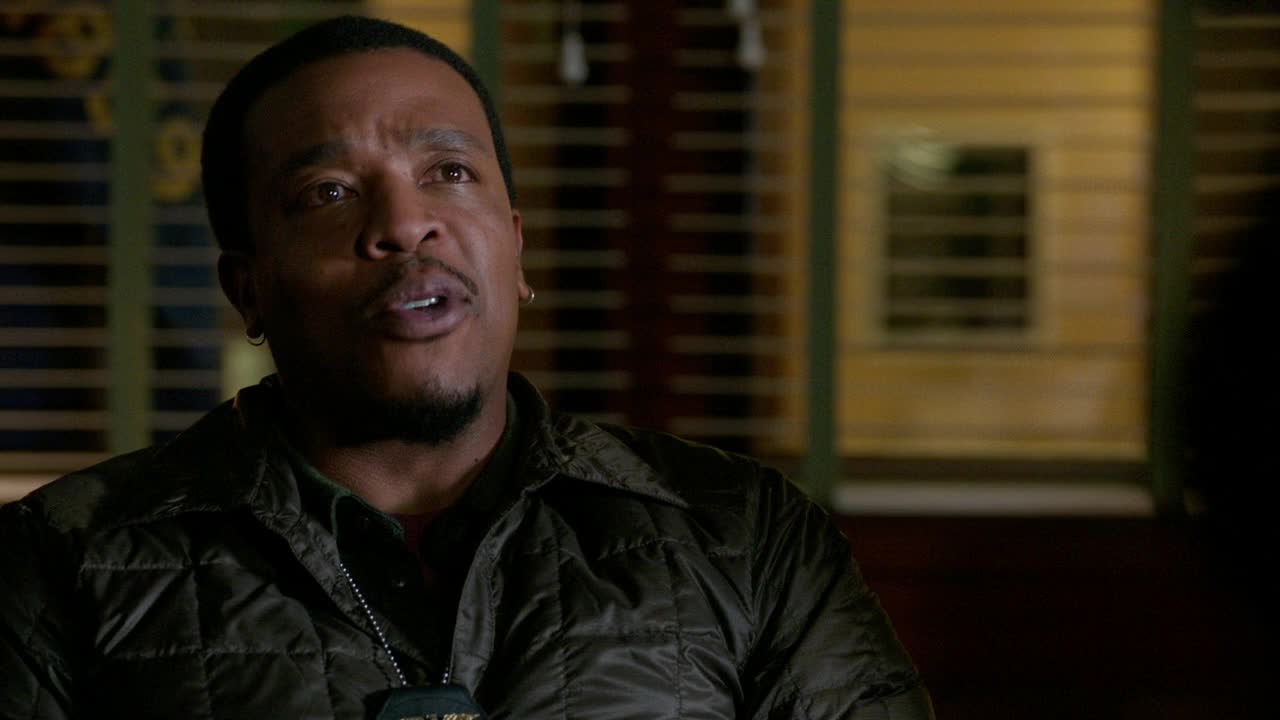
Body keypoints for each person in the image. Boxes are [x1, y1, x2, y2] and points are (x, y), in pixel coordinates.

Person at [0, 15, 932, 719]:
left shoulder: (745, 539)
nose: (405, 224)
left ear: (515, 249)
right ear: (249, 289)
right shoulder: (62, 564)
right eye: (328, 191)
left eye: (449, 172)